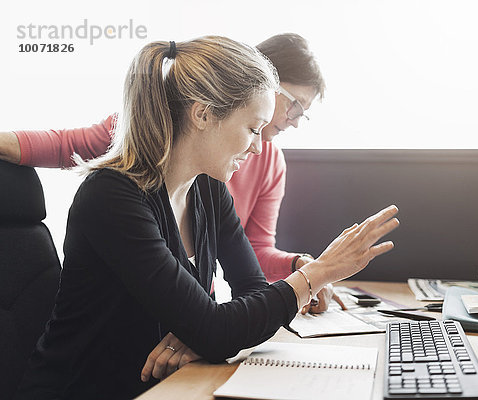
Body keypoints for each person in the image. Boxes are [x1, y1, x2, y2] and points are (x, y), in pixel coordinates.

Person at [14, 36, 399, 400]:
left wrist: (200, 331)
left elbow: (249, 291)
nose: (258, 146)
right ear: (203, 114)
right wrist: (317, 274)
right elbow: (218, 330)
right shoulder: (111, 197)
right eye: (252, 128)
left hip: (163, 386)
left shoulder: (209, 191)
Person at [0, 33, 340, 314]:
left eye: (304, 114)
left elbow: (254, 252)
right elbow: (65, 146)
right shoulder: (136, 153)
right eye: (296, 105)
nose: (295, 120)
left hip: (187, 315)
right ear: (263, 80)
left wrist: (298, 267)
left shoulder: (239, 176)